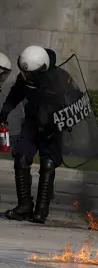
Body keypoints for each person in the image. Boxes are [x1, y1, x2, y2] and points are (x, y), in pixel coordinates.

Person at [0, 46, 71, 224]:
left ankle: (41, 210)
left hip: (53, 127)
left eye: (31, 74)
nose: (27, 77)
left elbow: (76, 100)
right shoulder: (24, 79)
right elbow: (14, 96)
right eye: (25, 73)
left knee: (48, 164)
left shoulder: (61, 79)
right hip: (31, 124)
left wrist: (68, 118)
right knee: (21, 158)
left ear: (43, 69)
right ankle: (24, 206)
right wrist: (4, 113)